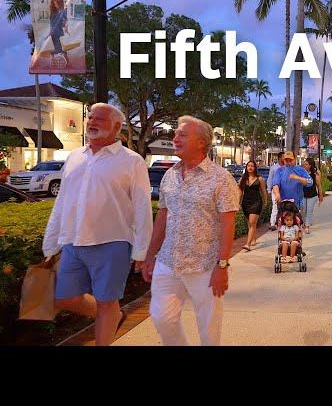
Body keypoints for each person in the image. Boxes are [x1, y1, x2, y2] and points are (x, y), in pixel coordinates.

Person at [42, 103, 153, 346]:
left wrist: (141, 251)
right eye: (90, 117)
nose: (92, 121)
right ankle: (114, 316)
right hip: (73, 240)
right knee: (63, 298)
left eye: (100, 119)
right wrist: (50, 241)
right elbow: (62, 201)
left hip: (113, 241)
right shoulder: (74, 156)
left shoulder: (132, 161)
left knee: (106, 302)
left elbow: (143, 207)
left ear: (116, 126)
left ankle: (108, 318)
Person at [141, 116, 239, 346]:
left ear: (201, 143)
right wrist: (149, 255)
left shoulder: (221, 178)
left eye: (182, 135)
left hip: (204, 265)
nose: (175, 139)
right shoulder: (170, 175)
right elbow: (163, 217)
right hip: (168, 262)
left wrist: (222, 266)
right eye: (176, 134)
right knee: (162, 318)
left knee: (209, 327)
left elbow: (228, 224)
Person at [238, 160, 268, 251]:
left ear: (255, 168)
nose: (250, 167)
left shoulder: (260, 179)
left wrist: (265, 201)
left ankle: (248, 244)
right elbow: (240, 192)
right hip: (246, 203)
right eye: (248, 166)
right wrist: (238, 203)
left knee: (252, 222)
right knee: (250, 223)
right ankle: (253, 238)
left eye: (252, 166)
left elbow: (263, 191)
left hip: (256, 202)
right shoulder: (243, 179)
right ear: (246, 168)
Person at [301, 157, 323, 234]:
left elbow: (319, 185)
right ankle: (304, 223)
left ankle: (307, 226)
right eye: (303, 164)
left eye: (306, 164)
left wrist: (321, 195)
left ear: (310, 165)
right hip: (302, 195)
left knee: (309, 211)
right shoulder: (301, 173)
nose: (304, 165)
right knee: (303, 210)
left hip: (312, 195)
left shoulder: (315, 174)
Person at [49, 0, 69, 67]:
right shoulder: (52, 12)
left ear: (60, 4)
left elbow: (65, 21)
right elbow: (51, 22)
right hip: (53, 32)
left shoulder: (63, 11)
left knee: (61, 48)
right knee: (55, 49)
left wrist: (66, 27)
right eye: (54, 4)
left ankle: (66, 62)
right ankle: (53, 63)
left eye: (57, 4)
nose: (55, 5)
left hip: (58, 32)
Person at [267, 152, 284, 230]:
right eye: (283, 157)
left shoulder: (287, 167)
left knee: (284, 207)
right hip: (275, 190)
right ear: (280, 158)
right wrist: (269, 190)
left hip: (284, 190)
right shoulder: (273, 168)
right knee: (275, 207)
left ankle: (284, 222)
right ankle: (272, 223)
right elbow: (270, 179)